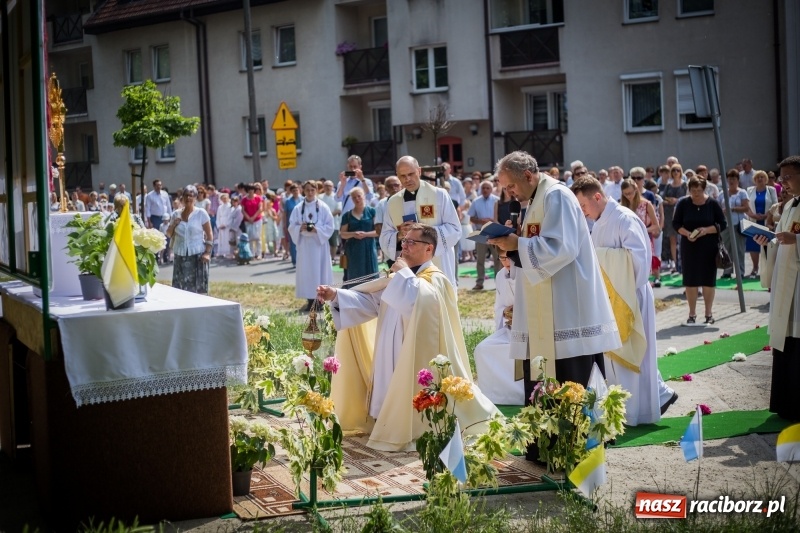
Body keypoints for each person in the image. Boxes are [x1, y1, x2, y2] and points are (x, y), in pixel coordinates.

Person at [317, 224, 499, 451]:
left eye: (412, 242)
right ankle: (386, 421)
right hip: (389, 348)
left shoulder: (436, 279)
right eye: (404, 241)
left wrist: (402, 272)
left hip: (415, 354)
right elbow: (372, 303)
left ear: (428, 249)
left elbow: (419, 303)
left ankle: (409, 426)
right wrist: (337, 295)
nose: (405, 246)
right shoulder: (400, 276)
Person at [489, 151, 621, 461]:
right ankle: (544, 445)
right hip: (545, 311)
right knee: (544, 372)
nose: (508, 193)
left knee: (569, 376)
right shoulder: (536, 200)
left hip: (566, 310)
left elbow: (561, 248)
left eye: (509, 186)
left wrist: (517, 245)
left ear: (528, 176)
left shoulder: (557, 196)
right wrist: (514, 245)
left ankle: (570, 446)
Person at [572, 176, 676, 424]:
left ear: (597, 196)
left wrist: (598, 256)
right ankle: (634, 405)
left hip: (630, 297)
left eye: (583, 206)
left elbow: (640, 262)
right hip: (609, 298)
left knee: (634, 353)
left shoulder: (624, 218)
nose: (583, 213)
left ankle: (639, 411)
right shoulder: (597, 223)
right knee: (614, 355)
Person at [754, 155, 800, 421]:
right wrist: (766, 241)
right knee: (787, 343)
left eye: (788, 177)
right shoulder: (789, 206)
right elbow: (780, 241)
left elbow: (792, 239)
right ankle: (786, 403)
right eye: (780, 178)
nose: (783, 184)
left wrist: (796, 239)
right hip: (786, 285)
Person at [379, 156, 461, 286]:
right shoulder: (393, 202)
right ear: (397, 176)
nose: (407, 179)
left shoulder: (439, 195)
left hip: (436, 261)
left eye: (411, 174)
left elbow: (454, 229)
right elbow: (385, 236)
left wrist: (423, 232)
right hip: (409, 265)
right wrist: (400, 235)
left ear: (419, 171)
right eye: (403, 176)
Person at [672, 176, 727, 326]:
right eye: (693, 190)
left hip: (709, 246)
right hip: (689, 246)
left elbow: (723, 224)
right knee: (690, 281)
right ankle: (692, 313)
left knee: (708, 280)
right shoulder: (683, 203)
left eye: (699, 190)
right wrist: (686, 233)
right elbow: (676, 224)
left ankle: (709, 313)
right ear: (689, 189)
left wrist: (706, 230)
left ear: (704, 189)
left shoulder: (713, 204)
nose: (696, 193)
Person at [472, 252, 525, 405]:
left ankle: (521, 395)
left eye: (509, 258)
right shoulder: (500, 275)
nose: (506, 262)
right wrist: (505, 312)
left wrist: (521, 313)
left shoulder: (525, 272)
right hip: (509, 328)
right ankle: (496, 396)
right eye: (502, 258)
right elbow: (499, 305)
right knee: (482, 349)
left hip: (529, 331)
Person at [289, 180, 334, 312]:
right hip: (305, 245)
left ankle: (320, 300)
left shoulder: (324, 207)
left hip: (318, 244)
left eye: (312, 190)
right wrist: (300, 227)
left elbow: (330, 226)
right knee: (307, 273)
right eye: (307, 190)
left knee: (320, 272)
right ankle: (310, 300)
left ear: (316, 190)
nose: (310, 193)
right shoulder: (298, 208)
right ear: (303, 190)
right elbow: (291, 226)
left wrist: (317, 230)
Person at [165, 185, 213, 294]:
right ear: (182, 197)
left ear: (195, 198)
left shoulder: (201, 213)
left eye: (191, 196)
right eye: (186, 195)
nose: (188, 198)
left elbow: (209, 234)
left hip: (198, 255)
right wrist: (173, 225)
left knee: (198, 289)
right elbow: (168, 234)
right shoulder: (176, 214)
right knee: (180, 290)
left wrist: (207, 253)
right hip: (180, 255)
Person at [340, 187, 378, 287]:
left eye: (359, 196)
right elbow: (343, 234)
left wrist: (365, 234)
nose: (357, 199)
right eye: (354, 197)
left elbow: (378, 231)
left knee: (371, 274)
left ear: (364, 197)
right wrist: (353, 234)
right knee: (354, 274)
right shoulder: (347, 215)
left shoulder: (372, 211)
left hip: (368, 247)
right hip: (353, 250)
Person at [468, 180, 501, 290]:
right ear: (481, 189)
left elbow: (501, 217)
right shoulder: (476, 201)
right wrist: (480, 221)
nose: (485, 190)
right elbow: (471, 217)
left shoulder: (497, 201)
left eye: (488, 188)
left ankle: (499, 283)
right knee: (480, 259)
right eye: (483, 188)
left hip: (494, 233)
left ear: (491, 189)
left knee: (498, 259)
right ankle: (480, 282)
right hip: (481, 233)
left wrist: (492, 220)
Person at [745, 170, 778, 278]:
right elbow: (747, 206)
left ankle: (767, 269)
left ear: (766, 179)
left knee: (766, 246)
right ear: (754, 180)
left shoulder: (771, 190)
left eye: (762, 177)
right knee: (753, 246)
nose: (760, 179)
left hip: (767, 222)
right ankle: (755, 268)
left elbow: (775, 205)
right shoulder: (749, 190)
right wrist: (753, 215)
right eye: (758, 177)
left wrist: (766, 215)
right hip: (753, 221)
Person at [720, 169, 750, 279]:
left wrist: (732, 209)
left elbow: (746, 208)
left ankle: (740, 272)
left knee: (739, 249)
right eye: (729, 178)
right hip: (726, 225)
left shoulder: (742, 192)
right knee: (726, 249)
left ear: (738, 180)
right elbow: (718, 208)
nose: (731, 181)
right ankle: (727, 271)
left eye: (734, 178)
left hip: (738, 224)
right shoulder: (722, 193)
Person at [662, 164, 688, 272]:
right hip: (669, 214)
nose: (676, 172)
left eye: (678, 170)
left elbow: (688, 198)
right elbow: (662, 199)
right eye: (674, 170)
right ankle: (676, 265)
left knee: (683, 239)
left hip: (682, 214)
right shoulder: (668, 186)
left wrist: (676, 200)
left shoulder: (685, 185)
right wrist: (669, 200)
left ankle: (684, 263)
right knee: (672, 240)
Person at [241, 184, 264, 260]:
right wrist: (249, 218)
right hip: (248, 220)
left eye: (252, 189)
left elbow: (260, 209)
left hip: (257, 219)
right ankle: (251, 253)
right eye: (249, 189)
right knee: (249, 237)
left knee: (257, 237)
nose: (251, 191)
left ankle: (259, 253)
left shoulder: (258, 198)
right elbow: (243, 210)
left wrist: (253, 217)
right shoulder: (244, 199)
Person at [216, 192, 233, 259]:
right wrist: (219, 225)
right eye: (222, 198)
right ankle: (222, 252)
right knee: (222, 238)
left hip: (227, 224)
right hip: (221, 222)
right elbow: (218, 217)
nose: (224, 200)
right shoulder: (220, 207)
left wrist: (226, 224)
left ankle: (228, 252)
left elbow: (230, 216)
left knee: (227, 238)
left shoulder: (230, 206)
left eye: (225, 198)